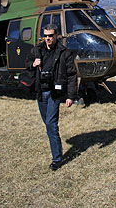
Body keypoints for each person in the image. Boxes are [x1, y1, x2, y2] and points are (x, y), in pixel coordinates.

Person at [25, 24, 77, 171]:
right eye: (46, 36)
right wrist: (33, 64)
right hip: (40, 92)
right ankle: (57, 151)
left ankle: (56, 159)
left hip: (54, 93)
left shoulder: (64, 53)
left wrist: (70, 96)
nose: (48, 38)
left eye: (51, 36)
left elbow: (72, 75)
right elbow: (26, 63)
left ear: (56, 36)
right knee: (47, 124)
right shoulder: (37, 50)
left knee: (51, 124)